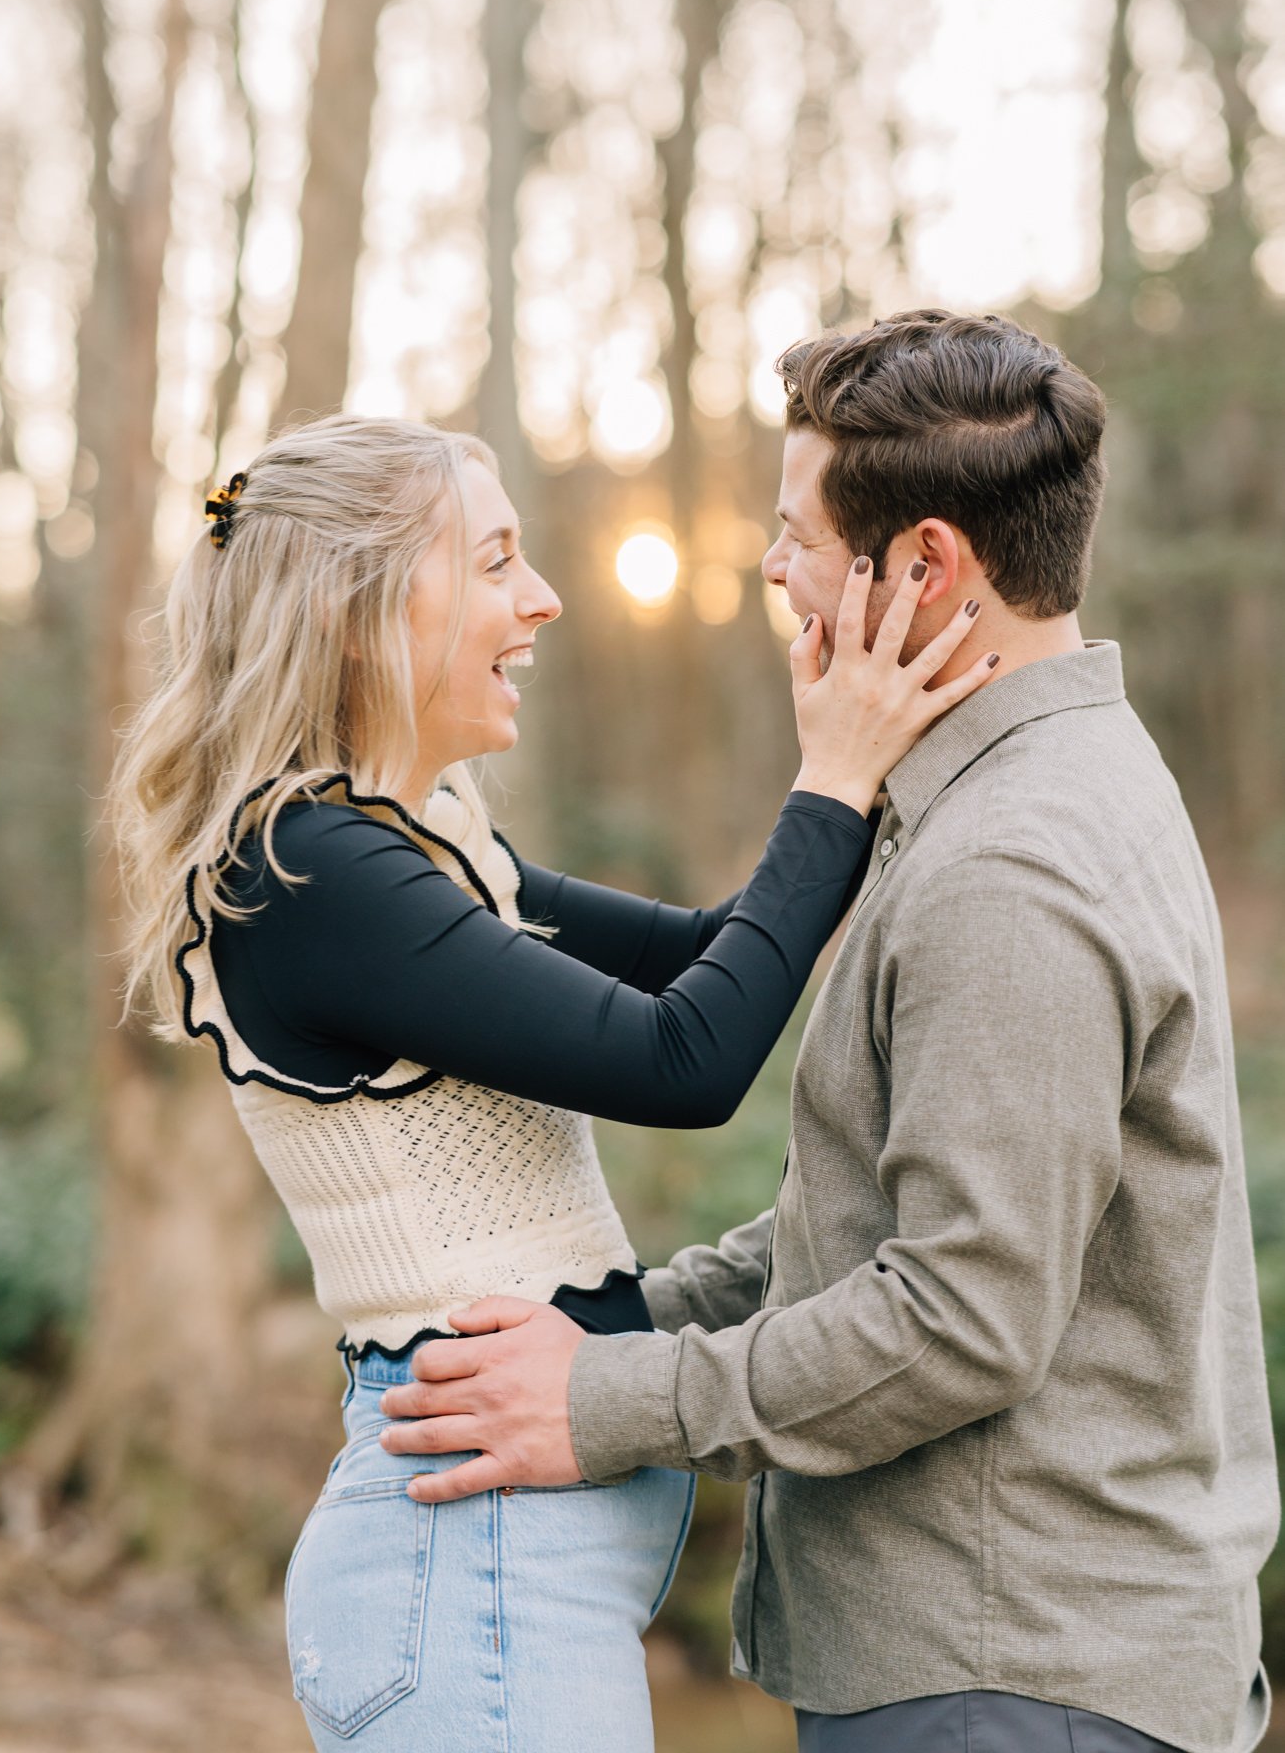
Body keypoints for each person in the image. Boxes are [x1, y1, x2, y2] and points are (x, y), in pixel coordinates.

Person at [381, 312, 1279, 1753]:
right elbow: (861, 1223)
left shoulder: (1013, 865)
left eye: (796, 534)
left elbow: (959, 1318)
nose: (771, 568)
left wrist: (613, 1401)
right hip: (1013, 1669)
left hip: (1009, 1682)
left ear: (926, 567)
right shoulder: (1046, 779)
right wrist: (615, 1323)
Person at [109, 412, 997, 1753]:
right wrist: (836, 777)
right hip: (468, 1570)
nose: (544, 597)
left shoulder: (428, 842)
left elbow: (708, 960)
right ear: (360, 614)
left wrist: (881, 771)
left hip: (507, 1572)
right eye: (494, 562)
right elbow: (681, 1060)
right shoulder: (305, 873)